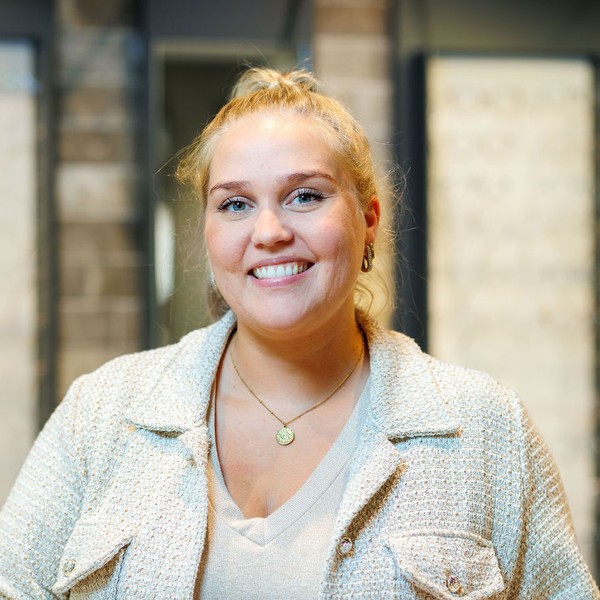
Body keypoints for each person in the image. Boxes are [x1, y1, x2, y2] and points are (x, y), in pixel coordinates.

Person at [0, 67, 598, 600]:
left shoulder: (485, 430)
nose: (268, 232)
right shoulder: (104, 414)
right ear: (207, 232)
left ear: (368, 219)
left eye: (305, 196)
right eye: (235, 204)